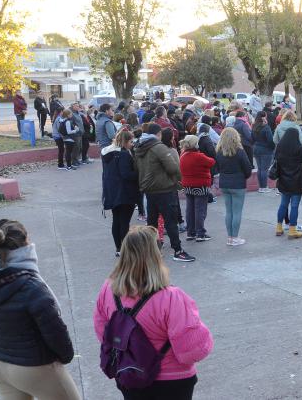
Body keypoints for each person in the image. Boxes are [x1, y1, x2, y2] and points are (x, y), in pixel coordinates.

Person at [94, 226, 213, 400]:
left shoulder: (108, 290)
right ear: (155, 255)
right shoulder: (171, 297)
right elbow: (192, 350)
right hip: (171, 382)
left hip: (129, 374)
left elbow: (104, 332)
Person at [0, 220, 81, 399]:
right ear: (25, 245)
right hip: (35, 366)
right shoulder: (32, 286)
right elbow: (55, 332)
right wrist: (65, 358)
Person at [134, 123, 195, 262]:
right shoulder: (158, 147)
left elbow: (136, 168)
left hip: (148, 189)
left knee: (152, 221)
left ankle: (152, 251)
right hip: (164, 188)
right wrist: (178, 182)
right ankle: (178, 250)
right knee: (170, 220)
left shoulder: (139, 147)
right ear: (158, 134)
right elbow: (173, 167)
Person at [101, 129, 140, 256]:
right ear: (125, 141)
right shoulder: (123, 154)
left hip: (111, 191)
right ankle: (124, 248)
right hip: (124, 191)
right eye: (131, 141)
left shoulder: (107, 152)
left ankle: (118, 248)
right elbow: (126, 174)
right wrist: (139, 173)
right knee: (124, 221)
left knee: (116, 220)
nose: (132, 144)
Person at [215, 127, 252, 246]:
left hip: (224, 183)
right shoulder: (240, 151)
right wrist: (244, 177)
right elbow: (247, 168)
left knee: (229, 212)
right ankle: (235, 238)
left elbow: (217, 168)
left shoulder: (219, 151)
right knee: (237, 212)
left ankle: (230, 237)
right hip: (238, 184)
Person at [274, 128, 302, 239]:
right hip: (297, 180)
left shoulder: (279, 146)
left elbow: (276, 160)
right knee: (294, 205)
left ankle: (279, 227)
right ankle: (292, 229)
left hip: (283, 179)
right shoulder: (299, 148)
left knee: (283, 204)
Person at [179, 135, 215, 243]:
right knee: (200, 210)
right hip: (200, 185)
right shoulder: (199, 156)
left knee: (190, 209)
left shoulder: (183, 155)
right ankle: (200, 233)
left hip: (187, 185)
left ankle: (191, 233)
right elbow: (212, 162)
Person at [252, 111, 275, 193]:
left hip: (256, 149)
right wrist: (273, 148)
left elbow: (252, 138)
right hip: (266, 150)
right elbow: (270, 140)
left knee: (260, 169)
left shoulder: (254, 126)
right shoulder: (266, 127)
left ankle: (261, 187)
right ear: (264, 117)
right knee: (264, 169)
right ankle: (264, 187)